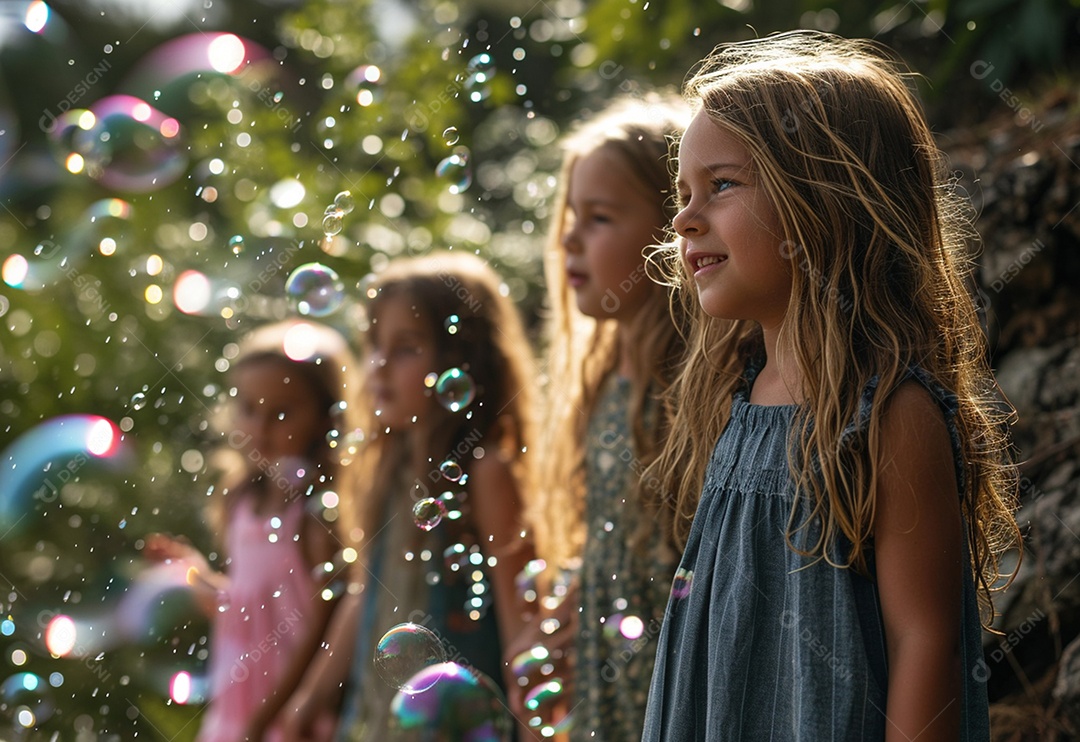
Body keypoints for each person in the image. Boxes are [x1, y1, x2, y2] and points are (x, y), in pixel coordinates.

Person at [639, 30, 1022, 741]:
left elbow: (924, 644)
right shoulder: (740, 399)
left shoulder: (888, 416)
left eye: (721, 186)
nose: (684, 218)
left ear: (828, 201)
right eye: (683, 193)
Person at [277, 251, 537, 741]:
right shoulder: (388, 471)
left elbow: (519, 621)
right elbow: (365, 593)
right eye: (373, 344)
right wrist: (306, 702)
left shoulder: (484, 472)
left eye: (405, 348)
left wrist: (536, 729)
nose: (377, 364)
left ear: (462, 360)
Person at [513, 93, 691, 740]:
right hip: (611, 696)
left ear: (677, 229)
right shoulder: (602, 383)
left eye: (600, 218)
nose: (568, 238)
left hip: (674, 696)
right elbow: (618, 537)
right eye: (570, 217)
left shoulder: (697, 389)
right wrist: (568, 610)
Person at [144, 319, 359, 742]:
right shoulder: (239, 501)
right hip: (235, 708)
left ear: (325, 417)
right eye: (249, 409)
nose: (261, 427)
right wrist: (195, 575)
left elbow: (321, 634)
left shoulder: (315, 518)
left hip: (290, 718)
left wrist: (271, 717)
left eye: (281, 413)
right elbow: (247, 604)